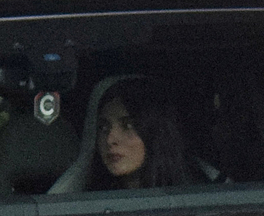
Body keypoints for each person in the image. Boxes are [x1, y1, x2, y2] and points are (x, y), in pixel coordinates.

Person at [57, 77, 193, 192]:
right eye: (103, 127)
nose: (110, 139)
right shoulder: (83, 204)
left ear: (156, 133)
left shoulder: (197, 199)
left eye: (129, 125)